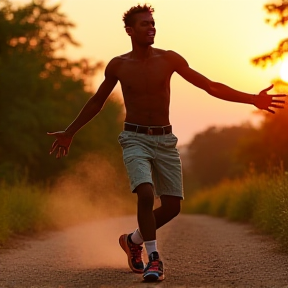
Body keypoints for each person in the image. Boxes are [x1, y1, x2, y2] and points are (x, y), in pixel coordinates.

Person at [48, 4, 286, 282]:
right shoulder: (118, 65)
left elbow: (210, 86)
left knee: (173, 207)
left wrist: (251, 99)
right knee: (146, 193)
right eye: (144, 25)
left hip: (165, 139)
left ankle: (132, 240)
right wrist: (70, 131)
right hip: (134, 138)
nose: (151, 28)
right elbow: (97, 102)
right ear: (129, 31)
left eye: (152, 24)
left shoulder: (169, 59)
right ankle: (154, 260)